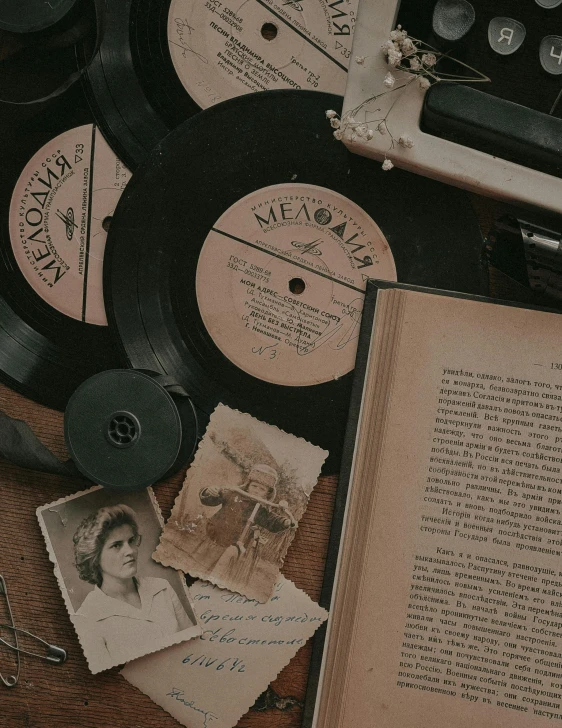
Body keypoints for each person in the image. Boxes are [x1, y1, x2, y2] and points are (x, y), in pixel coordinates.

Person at [72, 504, 193, 671]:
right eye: (116, 545)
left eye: (131, 541)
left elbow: (193, 646)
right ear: (95, 557)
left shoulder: (161, 588)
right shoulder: (87, 618)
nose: (130, 551)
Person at [198, 464, 295, 585]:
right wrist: (209, 491)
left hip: (231, 545)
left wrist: (285, 522)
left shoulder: (260, 509)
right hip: (212, 534)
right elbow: (213, 499)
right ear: (248, 485)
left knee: (217, 572)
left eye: (262, 489)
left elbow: (271, 520)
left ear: (266, 494)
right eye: (254, 486)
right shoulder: (233, 494)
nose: (256, 491)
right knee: (198, 563)